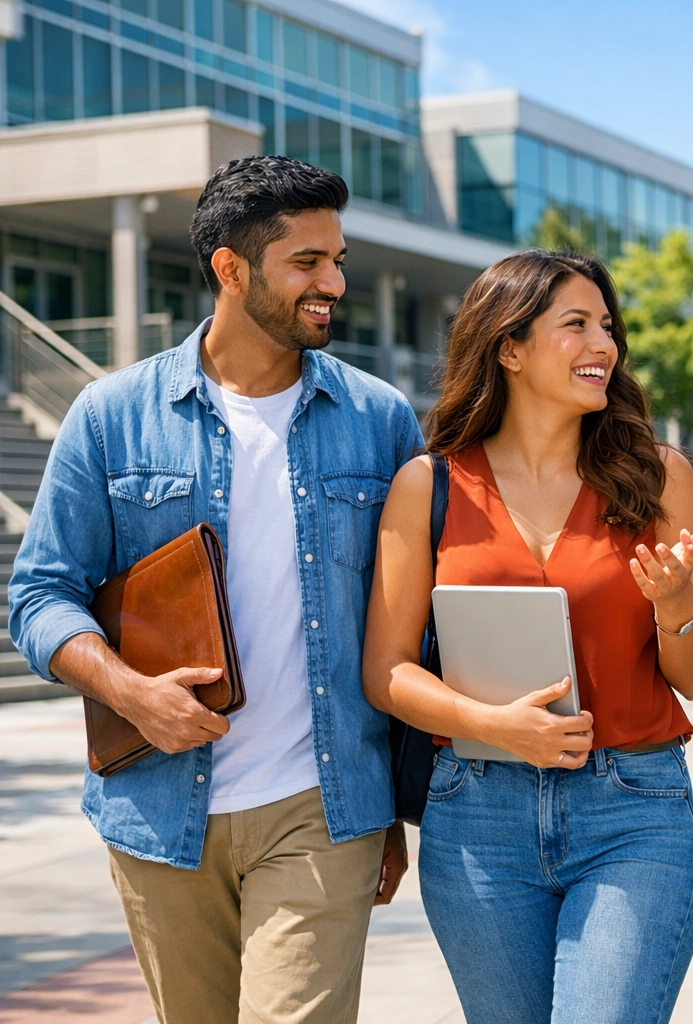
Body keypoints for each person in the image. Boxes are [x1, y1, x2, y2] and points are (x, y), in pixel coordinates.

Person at [8, 155, 423, 1023]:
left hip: (323, 805)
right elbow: (41, 593)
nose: (334, 283)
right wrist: (130, 691)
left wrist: (397, 802)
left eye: (337, 259)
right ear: (229, 269)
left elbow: (412, 627)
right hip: (161, 813)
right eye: (307, 263)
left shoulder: (380, 418)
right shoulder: (112, 414)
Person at [361, 250, 693, 1024]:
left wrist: (674, 602)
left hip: (634, 810)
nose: (605, 345)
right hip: (476, 819)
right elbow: (386, 673)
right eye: (578, 325)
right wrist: (492, 725)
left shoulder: (660, 478)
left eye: (608, 326)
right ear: (510, 348)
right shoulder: (428, 485)